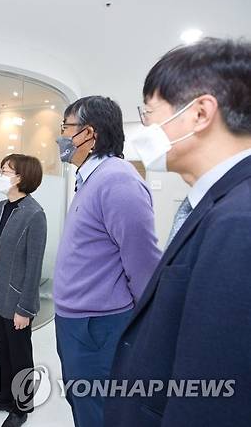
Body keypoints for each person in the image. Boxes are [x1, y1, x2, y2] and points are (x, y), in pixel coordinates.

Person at [105, 38, 251, 427]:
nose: (144, 126)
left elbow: (218, 389)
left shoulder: (240, 221)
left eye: (149, 112)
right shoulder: (216, 201)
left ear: (200, 113)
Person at [53, 96, 162, 427]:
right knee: (82, 404)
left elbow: (143, 264)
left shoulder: (118, 180)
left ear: (89, 134)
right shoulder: (89, 180)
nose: (60, 137)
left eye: (65, 128)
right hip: (77, 321)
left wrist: (144, 330)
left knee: (99, 412)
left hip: (98, 325)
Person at [0, 154, 47, 427]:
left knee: (20, 356)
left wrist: (26, 308)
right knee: (2, 351)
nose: (0, 174)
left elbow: (34, 265)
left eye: (5, 170)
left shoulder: (34, 214)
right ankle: (4, 397)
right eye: (1, 169)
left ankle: (22, 407)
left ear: (21, 177)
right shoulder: (1, 207)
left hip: (17, 299)